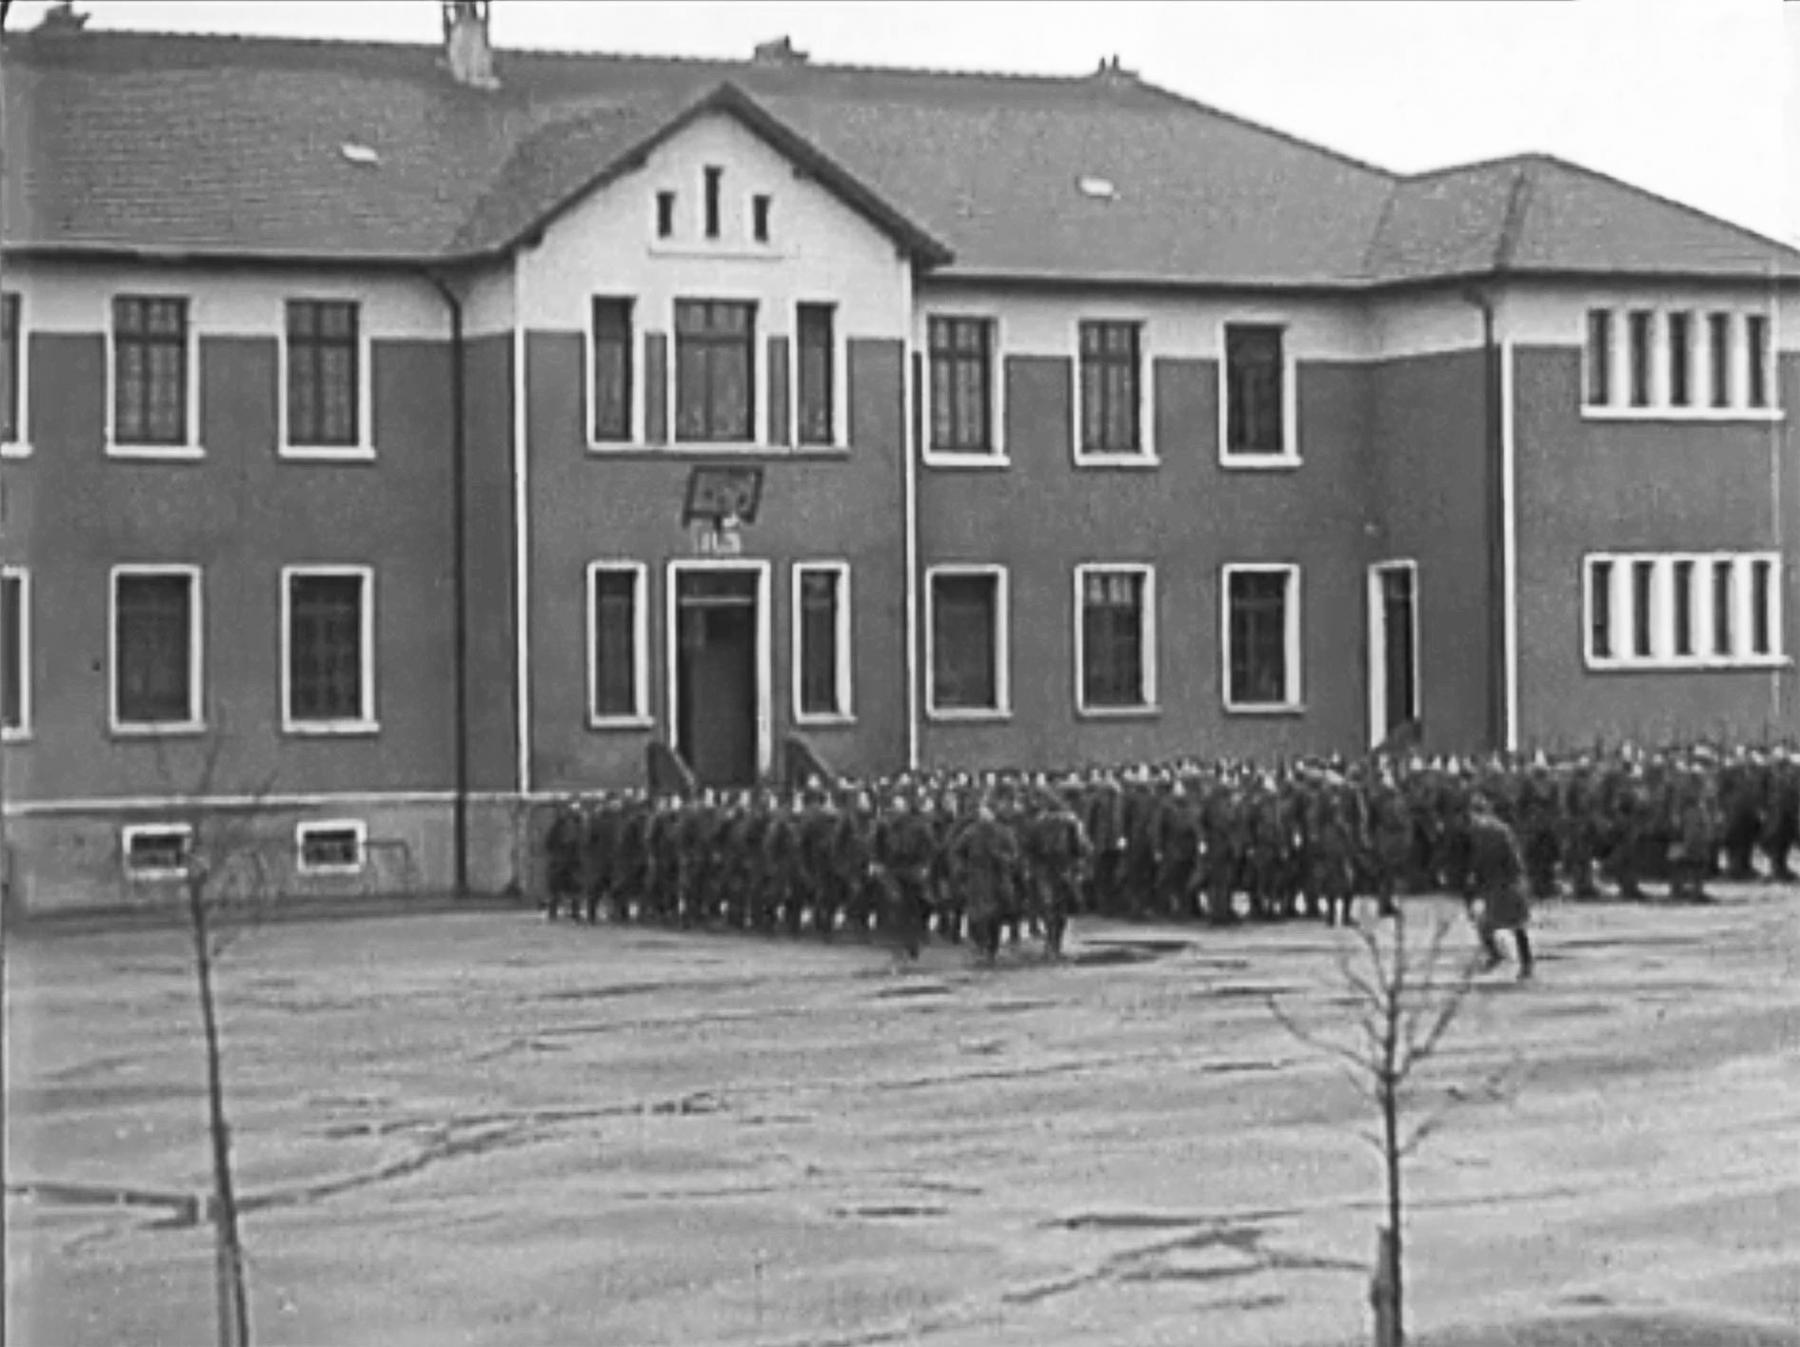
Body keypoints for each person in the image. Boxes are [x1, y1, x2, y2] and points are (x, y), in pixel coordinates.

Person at [1464, 793, 1534, 980]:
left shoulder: (1500, 831)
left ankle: (1526, 964)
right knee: (1485, 924)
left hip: (1505, 882)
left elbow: (1512, 856)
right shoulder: (1478, 832)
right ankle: (1497, 955)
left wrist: (1518, 877)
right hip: (1491, 883)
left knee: (1516, 924)